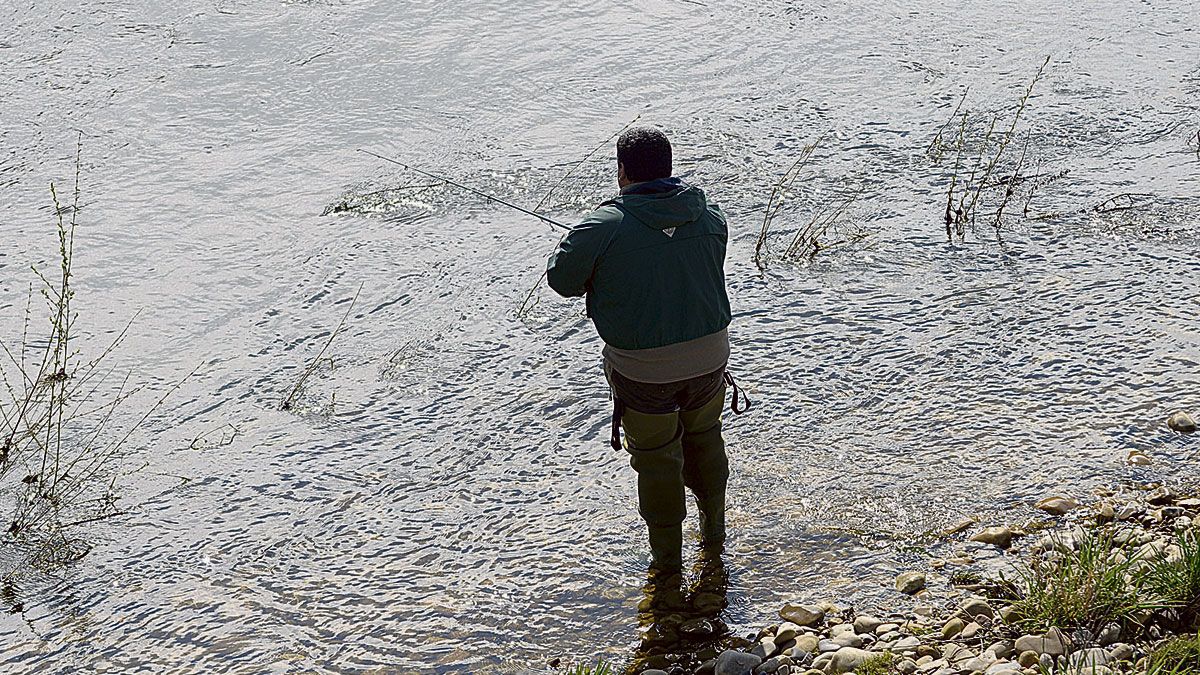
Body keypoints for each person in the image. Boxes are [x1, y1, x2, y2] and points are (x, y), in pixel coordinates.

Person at [546, 126, 734, 574]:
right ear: (668, 166)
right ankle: (714, 539)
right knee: (705, 439)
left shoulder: (600, 226)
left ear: (622, 171)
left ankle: (667, 563)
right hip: (710, 358)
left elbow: (561, 281)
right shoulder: (710, 215)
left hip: (643, 371)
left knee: (656, 461)